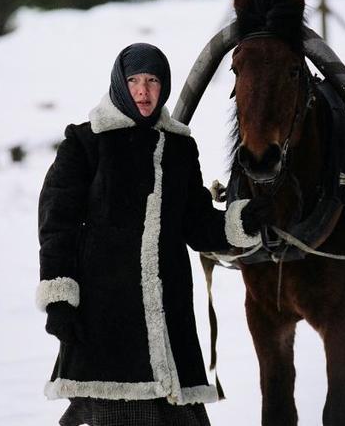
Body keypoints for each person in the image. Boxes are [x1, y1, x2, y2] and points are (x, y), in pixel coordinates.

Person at [36, 43, 271, 426]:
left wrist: (240, 223)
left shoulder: (179, 147)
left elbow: (195, 222)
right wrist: (60, 299)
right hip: (106, 323)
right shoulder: (85, 142)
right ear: (119, 84)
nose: (143, 92)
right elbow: (56, 226)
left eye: (152, 81)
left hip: (170, 322)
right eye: (133, 81)